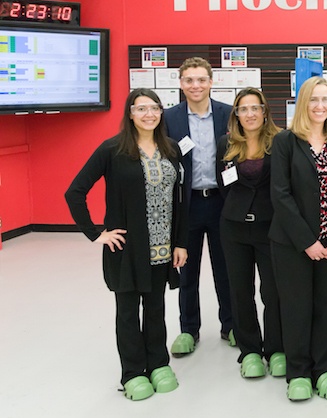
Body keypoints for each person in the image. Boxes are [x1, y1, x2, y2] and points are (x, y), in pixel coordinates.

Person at [65, 89, 187, 401]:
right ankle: (132, 372)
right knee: (128, 312)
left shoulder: (171, 149)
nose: (149, 114)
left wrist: (180, 243)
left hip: (163, 249)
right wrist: (96, 233)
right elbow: (75, 191)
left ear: (161, 112)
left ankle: (158, 363)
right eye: (141, 108)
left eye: (155, 108)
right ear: (130, 113)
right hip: (127, 249)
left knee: (157, 308)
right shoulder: (112, 150)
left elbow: (180, 200)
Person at [269, 76, 327, 402]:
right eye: (314, 100)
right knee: (296, 309)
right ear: (303, 103)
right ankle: (298, 373)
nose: (320, 106)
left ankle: (323, 369)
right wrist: (307, 241)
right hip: (294, 245)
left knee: (324, 309)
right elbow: (281, 195)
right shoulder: (286, 142)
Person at [165, 57, 235, 355]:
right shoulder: (169, 118)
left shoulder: (228, 114)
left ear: (211, 82)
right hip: (187, 204)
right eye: (189, 80)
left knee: (227, 269)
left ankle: (231, 325)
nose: (196, 85)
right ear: (181, 84)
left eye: (201, 79)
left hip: (221, 202)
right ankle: (188, 330)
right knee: (186, 271)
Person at [216, 88, 285, 378]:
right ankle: (251, 352)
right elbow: (223, 185)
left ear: (265, 111)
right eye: (244, 109)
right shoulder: (226, 143)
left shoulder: (281, 141)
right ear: (237, 115)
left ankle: (277, 349)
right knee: (240, 292)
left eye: (256, 108)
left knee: (273, 291)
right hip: (234, 229)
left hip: (270, 228)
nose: (250, 114)